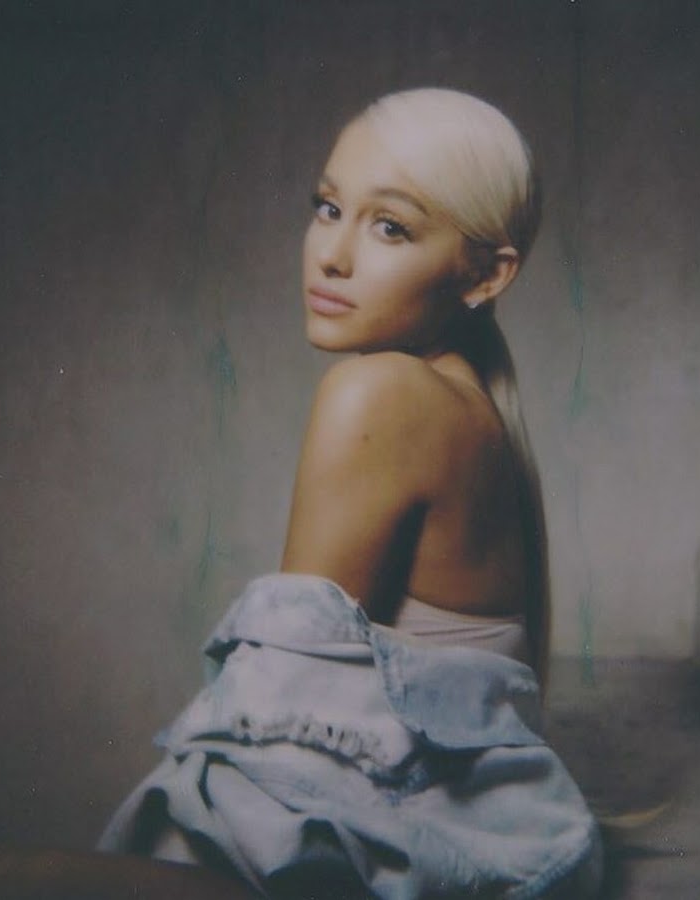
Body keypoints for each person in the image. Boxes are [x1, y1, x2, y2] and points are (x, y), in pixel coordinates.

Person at [96, 88, 601, 898]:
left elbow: (275, 748)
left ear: (486, 273)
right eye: (329, 208)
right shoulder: (467, 402)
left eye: (389, 226)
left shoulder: (380, 395)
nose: (331, 255)